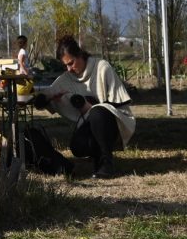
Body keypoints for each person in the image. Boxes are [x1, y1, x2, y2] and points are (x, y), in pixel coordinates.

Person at [41, 36, 134, 178]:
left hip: (114, 122)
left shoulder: (102, 67)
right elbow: (46, 96)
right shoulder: (66, 79)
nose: (69, 69)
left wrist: (90, 107)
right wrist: (47, 99)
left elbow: (119, 103)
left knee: (97, 113)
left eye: (71, 63)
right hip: (90, 125)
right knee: (77, 146)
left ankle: (106, 164)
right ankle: (98, 157)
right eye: (65, 65)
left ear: (80, 55)